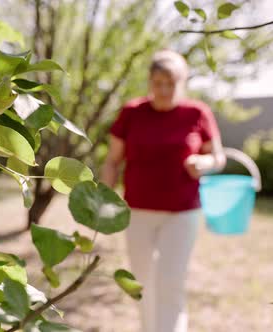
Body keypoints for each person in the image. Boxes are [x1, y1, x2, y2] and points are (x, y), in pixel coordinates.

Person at [100, 49, 226, 332]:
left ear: (182, 83)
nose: (165, 90)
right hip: (137, 212)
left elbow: (218, 158)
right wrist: (103, 201)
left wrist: (203, 162)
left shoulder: (197, 112)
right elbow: (112, 160)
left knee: (171, 280)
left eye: (172, 83)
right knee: (142, 281)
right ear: (150, 82)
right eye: (159, 83)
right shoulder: (132, 112)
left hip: (181, 213)